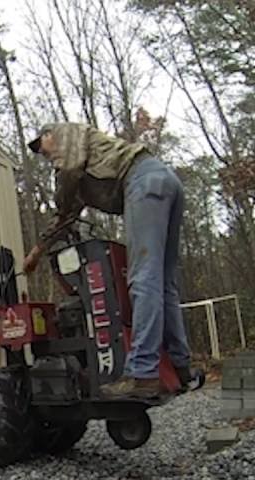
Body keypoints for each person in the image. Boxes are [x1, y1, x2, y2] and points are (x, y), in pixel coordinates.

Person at [23, 122, 196, 400]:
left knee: (143, 279)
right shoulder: (80, 171)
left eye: (42, 148)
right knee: (163, 283)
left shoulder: (68, 136)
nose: (45, 156)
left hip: (141, 181)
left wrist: (62, 202)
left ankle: (143, 373)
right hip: (164, 182)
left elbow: (68, 172)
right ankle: (181, 366)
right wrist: (36, 252)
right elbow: (64, 217)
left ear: (49, 135)